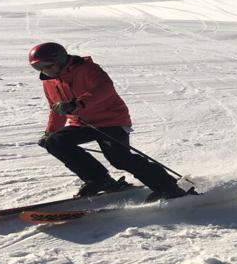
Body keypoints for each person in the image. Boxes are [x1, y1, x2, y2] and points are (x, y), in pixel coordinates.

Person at [28, 42, 191, 202]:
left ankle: (168, 187)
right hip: (82, 123)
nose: (44, 71)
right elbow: (56, 109)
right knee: (55, 142)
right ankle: (99, 180)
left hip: (111, 120)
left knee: (119, 158)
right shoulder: (49, 81)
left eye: (47, 65)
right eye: (38, 68)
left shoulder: (87, 69)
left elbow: (104, 89)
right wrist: (50, 132)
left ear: (60, 59)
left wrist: (78, 104)